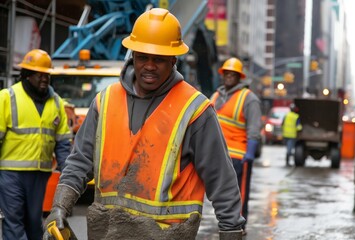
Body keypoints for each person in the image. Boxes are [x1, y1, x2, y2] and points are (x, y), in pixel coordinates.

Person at [43, 8, 245, 240]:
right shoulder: (105, 101)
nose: (149, 65)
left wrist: (231, 230)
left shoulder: (195, 110)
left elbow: (221, 179)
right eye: (142, 57)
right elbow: (79, 162)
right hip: (106, 233)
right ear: (133, 56)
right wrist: (59, 207)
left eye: (159, 59)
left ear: (173, 60)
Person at [0, 49, 72, 240]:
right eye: (39, 74)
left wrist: (68, 177)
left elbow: (63, 143)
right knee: (14, 221)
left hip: (40, 175)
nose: (44, 79)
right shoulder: (7, 98)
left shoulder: (56, 102)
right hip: (10, 174)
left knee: (34, 223)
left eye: (47, 75)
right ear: (27, 75)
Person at [210, 57, 262, 234]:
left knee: (239, 194)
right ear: (222, 75)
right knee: (218, 193)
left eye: (234, 74)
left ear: (240, 77)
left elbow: (254, 129)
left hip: (238, 156)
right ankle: (224, 222)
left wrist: (250, 152)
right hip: (216, 155)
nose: (229, 77)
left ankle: (239, 227)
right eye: (227, 73)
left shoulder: (249, 99)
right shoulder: (216, 96)